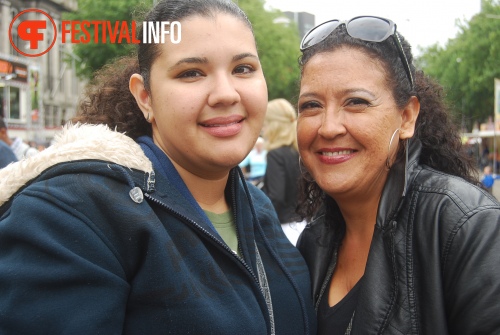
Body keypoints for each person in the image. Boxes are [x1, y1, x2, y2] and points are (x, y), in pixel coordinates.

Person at [0, 1, 317, 334]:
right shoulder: (69, 214)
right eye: (191, 73)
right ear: (145, 97)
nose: (226, 93)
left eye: (243, 69)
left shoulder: (257, 207)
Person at [295, 16, 500, 334]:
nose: (328, 126)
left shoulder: (467, 225)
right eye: (311, 105)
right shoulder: (312, 244)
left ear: (406, 117)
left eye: (356, 102)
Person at [262, 98, 305, 245]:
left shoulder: (276, 155)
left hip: (284, 228)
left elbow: (276, 196)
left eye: (265, 125)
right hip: (305, 224)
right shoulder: (300, 153)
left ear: (274, 126)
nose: (263, 130)